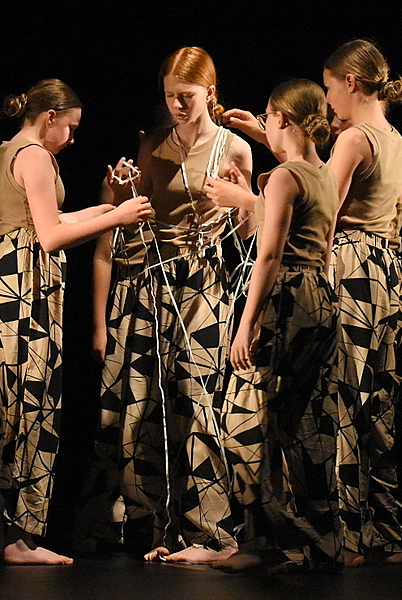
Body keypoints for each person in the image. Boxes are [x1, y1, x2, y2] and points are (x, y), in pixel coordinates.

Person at [222, 39, 402, 566]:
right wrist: (269, 134)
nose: (329, 100)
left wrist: (248, 200)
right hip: (384, 269)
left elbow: (317, 209)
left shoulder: (355, 138)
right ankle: (379, 532)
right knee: (368, 397)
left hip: (351, 267)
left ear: (350, 83)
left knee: (340, 402)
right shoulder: (393, 137)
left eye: (331, 87)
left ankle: (343, 535)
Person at [80, 47, 253, 563]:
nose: (178, 104)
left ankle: (209, 530)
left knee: (198, 403)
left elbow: (248, 234)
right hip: (150, 283)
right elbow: (131, 219)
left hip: (202, 285)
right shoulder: (154, 144)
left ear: (210, 92)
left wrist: (244, 196)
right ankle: (139, 523)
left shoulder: (235, 148)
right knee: (139, 405)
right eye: (170, 96)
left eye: (187, 96)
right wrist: (119, 191)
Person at [0, 79, 154, 565]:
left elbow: (50, 219)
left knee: (17, 406)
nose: (73, 139)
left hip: (16, 273)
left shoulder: (12, 148)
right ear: (50, 116)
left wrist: (110, 205)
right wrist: (116, 219)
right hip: (24, 282)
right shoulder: (34, 154)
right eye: (70, 128)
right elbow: (51, 236)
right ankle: (20, 538)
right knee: (30, 407)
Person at [211, 79, 341, 573]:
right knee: (302, 426)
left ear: (282, 119)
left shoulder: (285, 177)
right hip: (319, 299)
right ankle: (322, 543)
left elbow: (268, 254)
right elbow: (322, 247)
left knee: (241, 423)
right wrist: (259, 131)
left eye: (268, 116)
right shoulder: (323, 174)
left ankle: (266, 541)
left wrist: (247, 324)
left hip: (285, 298)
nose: (265, 123)